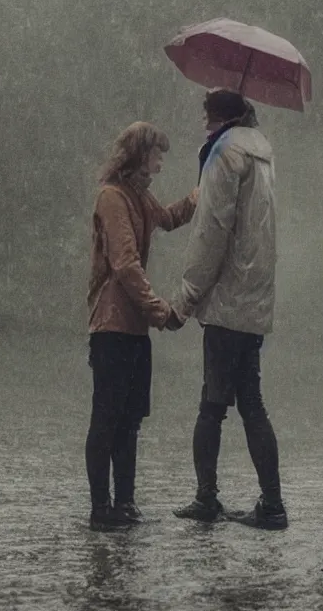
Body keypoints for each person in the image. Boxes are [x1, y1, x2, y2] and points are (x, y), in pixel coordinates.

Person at [169, 89, 287, 530]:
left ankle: (208, 498)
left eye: (207, 117)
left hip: (225, 300)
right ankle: (272, 502)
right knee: (251, 401)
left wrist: (185, 300)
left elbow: (212, 234)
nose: (204, 125)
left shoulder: (225, 154)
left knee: (212, 405)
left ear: (220, 118)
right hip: (254, 298)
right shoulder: (261, 154)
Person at [85, 121, 197, 530]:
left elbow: (168, 218)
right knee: (107, 417)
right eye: (157, 153)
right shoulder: (112, 198)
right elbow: (125, 264)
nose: (161, 160)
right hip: (113, 324)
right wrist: (160, 311)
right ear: (140, 155)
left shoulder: (139, 196)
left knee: (130, 418)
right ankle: (102, 507)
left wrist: (200, 195)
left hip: (133, 329)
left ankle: (125, 503)